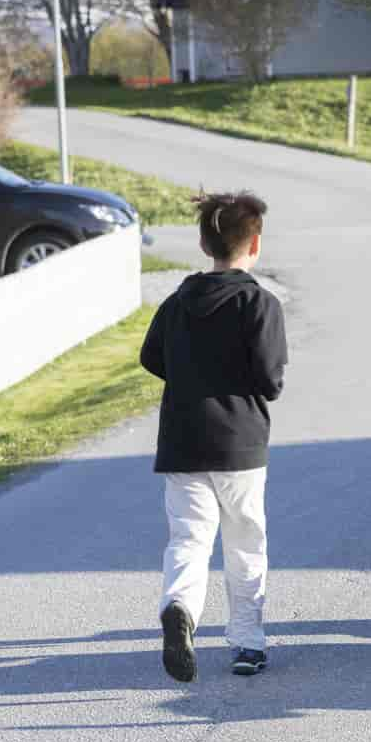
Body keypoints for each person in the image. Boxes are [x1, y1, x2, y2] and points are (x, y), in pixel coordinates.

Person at [140, 191, 287, 682]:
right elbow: (270, 380)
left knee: (188, 539)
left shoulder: (177, 302)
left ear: (204, 244)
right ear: (255, 244)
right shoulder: (258, 303)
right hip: (241, 444)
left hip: (183, 440)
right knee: (245, 543)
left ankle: (180, 607)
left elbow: (151, 357)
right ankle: (247, 643)